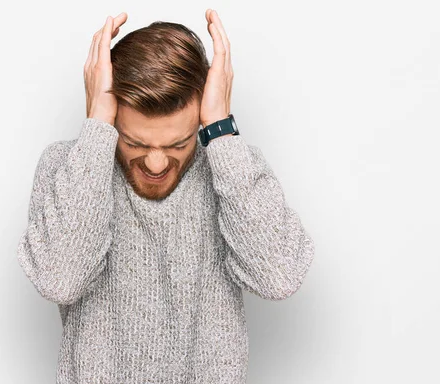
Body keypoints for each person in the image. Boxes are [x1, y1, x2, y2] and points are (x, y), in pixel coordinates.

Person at [16, 9, 315, 384]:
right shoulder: (68, 168)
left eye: (177, 143)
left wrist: (220, 132)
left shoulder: (233, 168)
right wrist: (96, 128)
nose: (156, 163)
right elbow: (59, 279)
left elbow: (279, 277)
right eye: (134, 142)